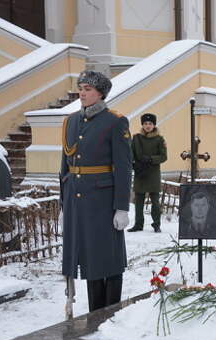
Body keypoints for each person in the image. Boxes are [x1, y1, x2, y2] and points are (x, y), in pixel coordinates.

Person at [59, 70, 132, 313]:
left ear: (100, 93)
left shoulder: (115, 121)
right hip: (76, 199)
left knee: (108, 256)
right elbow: (65, 168)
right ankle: (95, 314)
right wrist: (63, 204)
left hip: (103, 200)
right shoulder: (70, 121)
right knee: (89, 256)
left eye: (88, 89)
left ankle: (111, 311)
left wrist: (121, 207)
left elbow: (123, 167)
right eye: (80, 88)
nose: (82, 93)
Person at [128, 113, 167, 233]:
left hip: (153, 173)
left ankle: (156, 224)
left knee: (155, 202)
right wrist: (134, 165)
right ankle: (138, 224)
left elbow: (163, 157)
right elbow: (131, 153)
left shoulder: (159, 139)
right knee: (138, 201)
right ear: (142, 125)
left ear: (154, 125)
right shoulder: (136, 138)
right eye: (145, 123)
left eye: (150, 123)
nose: (148, 126)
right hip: (140, 172)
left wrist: (151, 159)